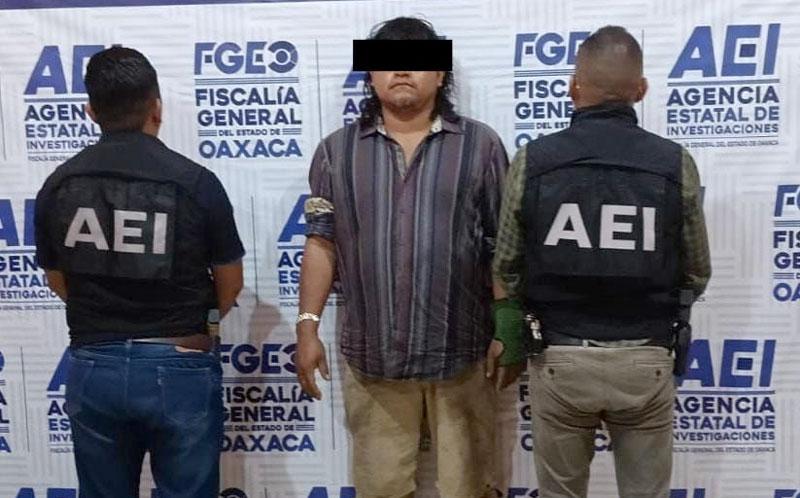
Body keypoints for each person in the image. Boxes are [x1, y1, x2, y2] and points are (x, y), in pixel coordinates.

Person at [490, 26, 711, 498]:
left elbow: (506, 265)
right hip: (646, 358)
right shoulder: (674, 163)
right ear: (641, 90)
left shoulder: (534, 161)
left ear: (573, 88)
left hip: (561, 358)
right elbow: (697, 271)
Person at [294, 17, 510, 498]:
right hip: (374, 356)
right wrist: (307, 326)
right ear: (370, 75)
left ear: (440, 74)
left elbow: (501, 245)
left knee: (470, 489)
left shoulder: (481, 147)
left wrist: (509, 327)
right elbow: (321, 243)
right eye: (388, 63)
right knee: (381, 490)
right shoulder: (336, 153)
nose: (403, 72)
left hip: (461, 352)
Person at [34, 46, 244, 498]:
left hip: (95, 366)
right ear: (157, 108)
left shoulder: (60, 184)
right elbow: (230, 286)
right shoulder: (195, 181)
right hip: (181, 360)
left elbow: (57, 280)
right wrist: (201, 325)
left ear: (90, 111)